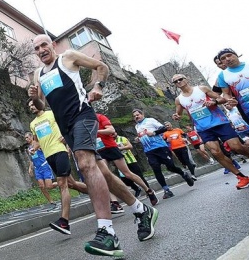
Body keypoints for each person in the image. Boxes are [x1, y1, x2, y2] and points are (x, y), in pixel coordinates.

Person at [28, 34, 157, 258]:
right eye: (37, 48)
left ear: (53, 45)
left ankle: (107, 233)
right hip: (65, 126)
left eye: (44, 45)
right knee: (103, 173)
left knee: (86, 166)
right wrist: (34, 96)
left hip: (83, 116)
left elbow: (101, 66)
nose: (41, 50)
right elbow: (42, 103)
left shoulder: (67, 58)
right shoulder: (39, 74)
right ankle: (141, 209)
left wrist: (98, 86)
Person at [171, 73, 249, 189]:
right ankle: (242, 177)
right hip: (203, 128)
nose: (178, 81)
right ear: (174, 85)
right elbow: (178, 113)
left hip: (220, 123)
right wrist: (176, 116)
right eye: (175, 81)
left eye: (180, 78)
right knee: (215, 153)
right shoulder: (179, 99)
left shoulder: (201, 89)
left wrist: (214, 102)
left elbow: (222, 99)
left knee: (236, 147)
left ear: (186, 78)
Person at [28, 100, 88, 235]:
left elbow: (68, 122)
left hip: (59, 151)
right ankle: (99, 195)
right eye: (30, 106)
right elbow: (37, 140)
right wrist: (34, 148)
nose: (32, 107)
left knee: (62, 184)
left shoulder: (52, 114)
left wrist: (66, 136)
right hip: (49, 156)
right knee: (72, 184)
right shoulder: (32, 124)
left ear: (39, 103)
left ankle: (64, 222)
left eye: (33, 104)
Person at [95, 113, 158, 207]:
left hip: (111, 147)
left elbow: (111, 130)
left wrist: (96, 131)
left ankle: (148, 190)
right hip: (99, 150)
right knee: (105, 176)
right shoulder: (82, 122)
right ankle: (115, 203)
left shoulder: (100, 117)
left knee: (127, 173)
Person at [132, 109, 195, 199]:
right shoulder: (137, 126)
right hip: (149, 151)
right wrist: (138, 139)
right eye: (134, 116)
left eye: (138, 115)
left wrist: (154, 133)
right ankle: (167, 190)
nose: (136, 117)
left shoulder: (150, 120)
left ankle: (183, 174)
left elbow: (164, 128)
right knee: (156, 169)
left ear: (142, 114)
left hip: (160, 147)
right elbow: (142, 135)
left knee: (170, 167)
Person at [114, 132, 152, 198]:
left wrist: (121, 148)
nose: (112, 134)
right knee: (125, 179)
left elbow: (130, 146)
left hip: (130, 160)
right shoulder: (110, 142)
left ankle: (148, 190)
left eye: (113, 133)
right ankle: (137, 189)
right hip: (120, 163)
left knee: (139, 176)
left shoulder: (122, 138)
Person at [24, 132, 58, 207]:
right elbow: (31, 159)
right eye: (25, 138)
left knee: (49, 186)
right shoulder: (28, 148)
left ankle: (61, 183)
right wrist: (30, 168)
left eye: (27, 137)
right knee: (41, 186)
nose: (26, 139)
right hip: (37, 169)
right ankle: (51, 201)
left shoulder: (37, 144)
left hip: (44, 166)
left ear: (31, 136)